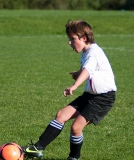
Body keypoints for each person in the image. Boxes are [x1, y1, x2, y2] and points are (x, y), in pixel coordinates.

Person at [22, 20, 117, 160]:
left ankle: (74, 157)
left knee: (76, 128)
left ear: (83, 38)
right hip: (90, 95)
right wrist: (79, 73)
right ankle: (38, 147)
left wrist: (74, 85)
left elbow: (88, 70)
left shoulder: (94, 53)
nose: (69, 42)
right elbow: (88, 69)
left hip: (103, 98)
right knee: (61, 115)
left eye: (72, 39)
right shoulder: (87, 52)